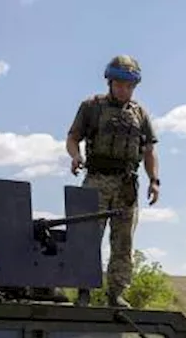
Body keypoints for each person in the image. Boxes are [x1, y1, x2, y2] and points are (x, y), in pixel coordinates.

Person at [65, 55, 160, 308]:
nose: (124, 90)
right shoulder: (91, 107)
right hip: (97, 180)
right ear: (110, 83)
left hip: (126, 185)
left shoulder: (140, 113)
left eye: (129, 86)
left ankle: (116, 293)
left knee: (123, 242)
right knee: (87, 237)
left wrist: (154, 180)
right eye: (119, 84)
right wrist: (76, 157)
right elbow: (73, 138)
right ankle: (83, 291)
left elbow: (149, 151)